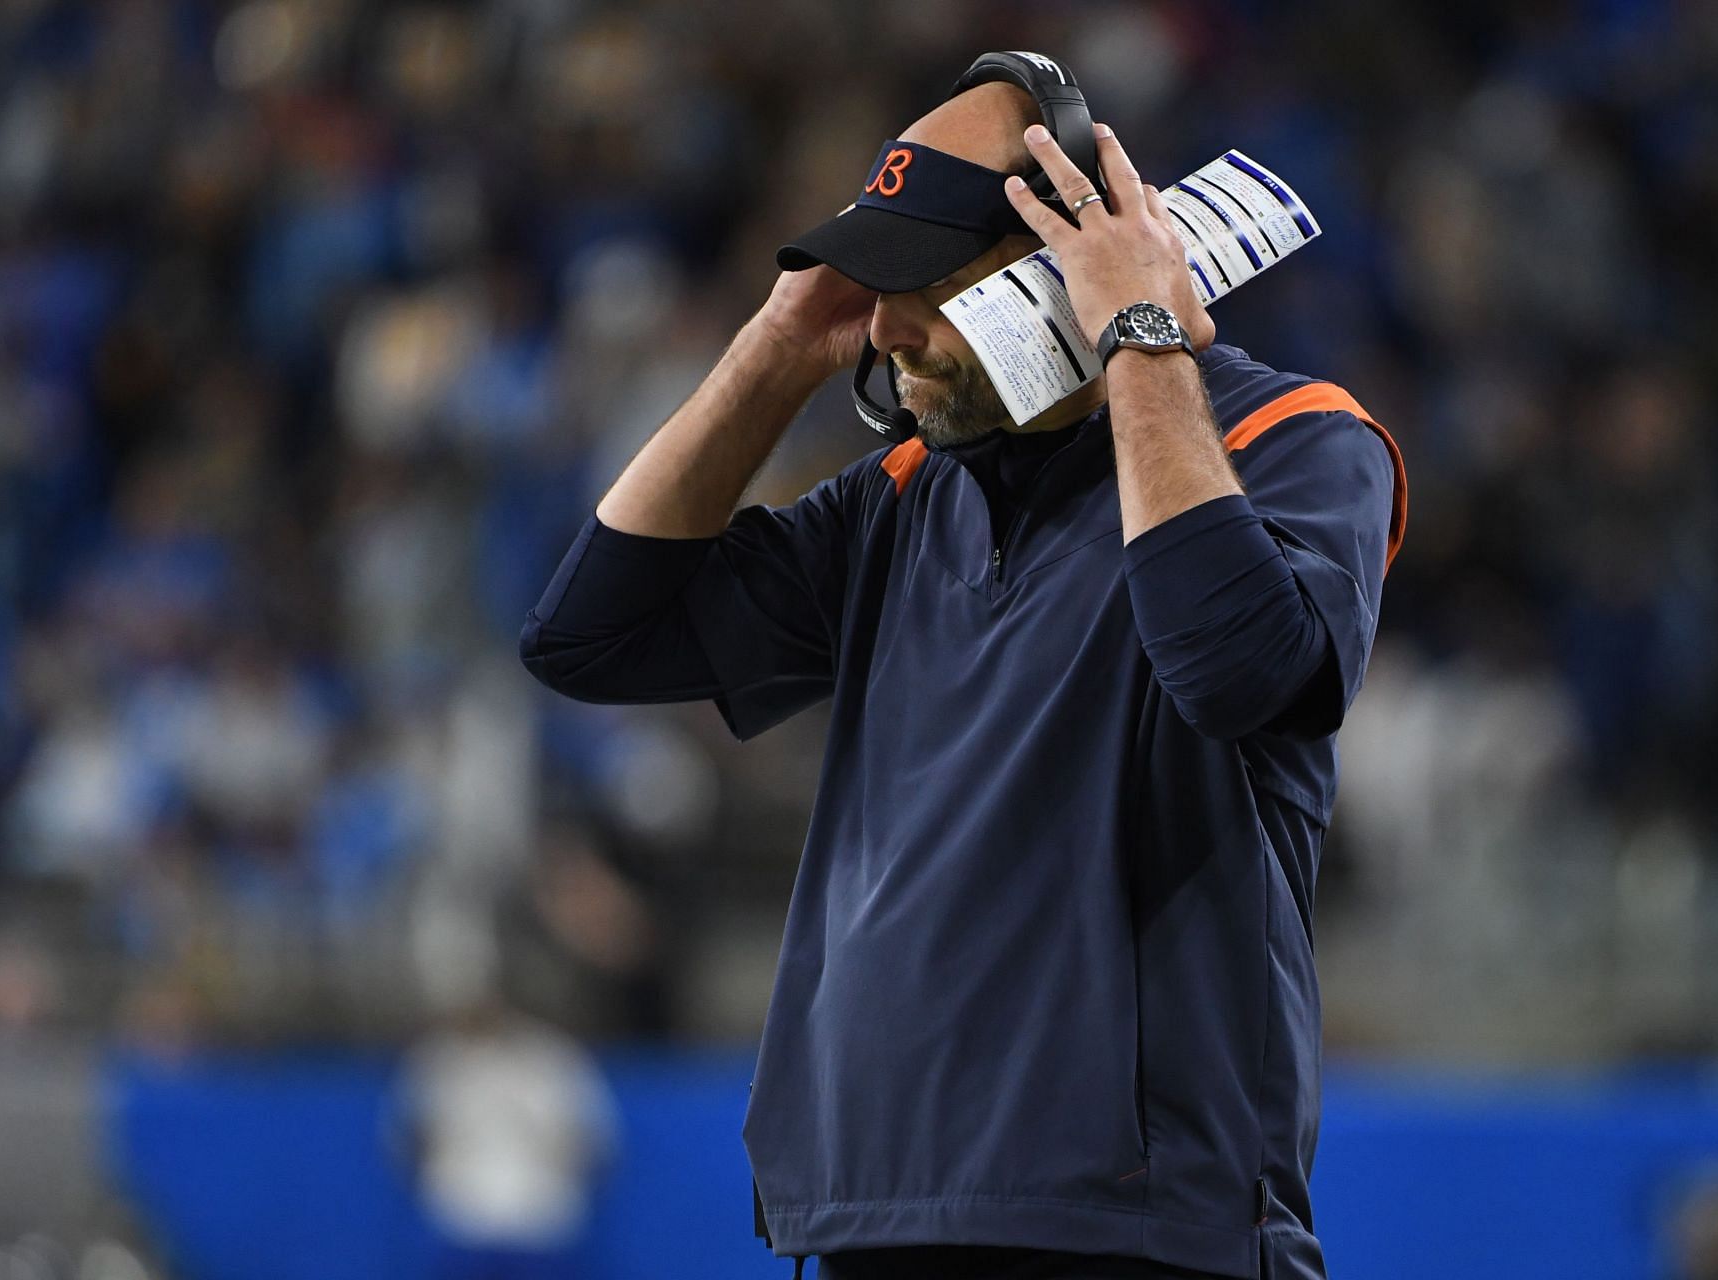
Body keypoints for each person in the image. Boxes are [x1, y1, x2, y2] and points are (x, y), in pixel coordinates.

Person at [520, 61, 1405, 1280]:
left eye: (923, 282)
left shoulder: (1293, 437)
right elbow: (590, 633)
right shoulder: (898, 498)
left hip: (1137, 1229)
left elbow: (1237, 669)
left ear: (1063, 260)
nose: (883, 329)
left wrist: (1139, 333)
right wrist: (779, 345)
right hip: (871, 1213)